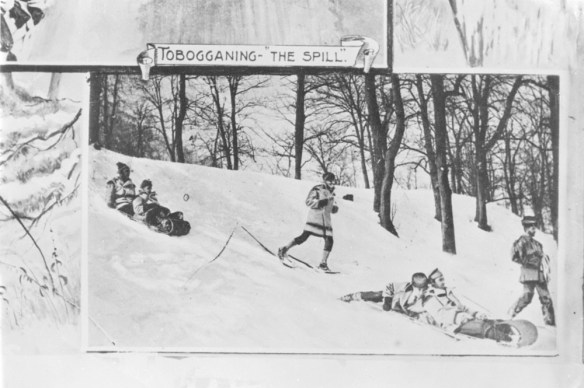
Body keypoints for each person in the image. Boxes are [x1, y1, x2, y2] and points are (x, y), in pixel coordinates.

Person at [278, 172, 339, 271]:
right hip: (315, 218)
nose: (332, 182)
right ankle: (284, 249)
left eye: (333, 180)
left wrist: (334, 208)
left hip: (326, 221)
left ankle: (323, 264)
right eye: (329, 180)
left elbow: (332, 206)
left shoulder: (332, 193)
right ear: (324, 180)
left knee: (329, 240)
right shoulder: (317, 189)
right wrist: (320, 202)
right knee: (304, 237)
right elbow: (308, 201)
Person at [508, 215, 555, 326]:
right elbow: (515, 257)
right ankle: (510, 314)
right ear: (526, 228)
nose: (534, 230)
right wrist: (530, 259)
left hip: (539, 274)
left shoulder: (538, 244)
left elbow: (542, 259)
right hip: (529, 273)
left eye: (535, 227)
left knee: (546, 298)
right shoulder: (521, 242)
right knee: (527, 296)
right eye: (532, 227)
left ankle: (550, 322)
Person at [340, 272, 429, 317]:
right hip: (392, 299)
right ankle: (353, 296)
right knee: (376, 295)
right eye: (418, 286)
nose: (421, 288)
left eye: (423, 285)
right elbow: (390, 286)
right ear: (413, 283)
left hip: (405, 307)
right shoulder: (406, 286)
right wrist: (387, 301)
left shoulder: (426, 291)